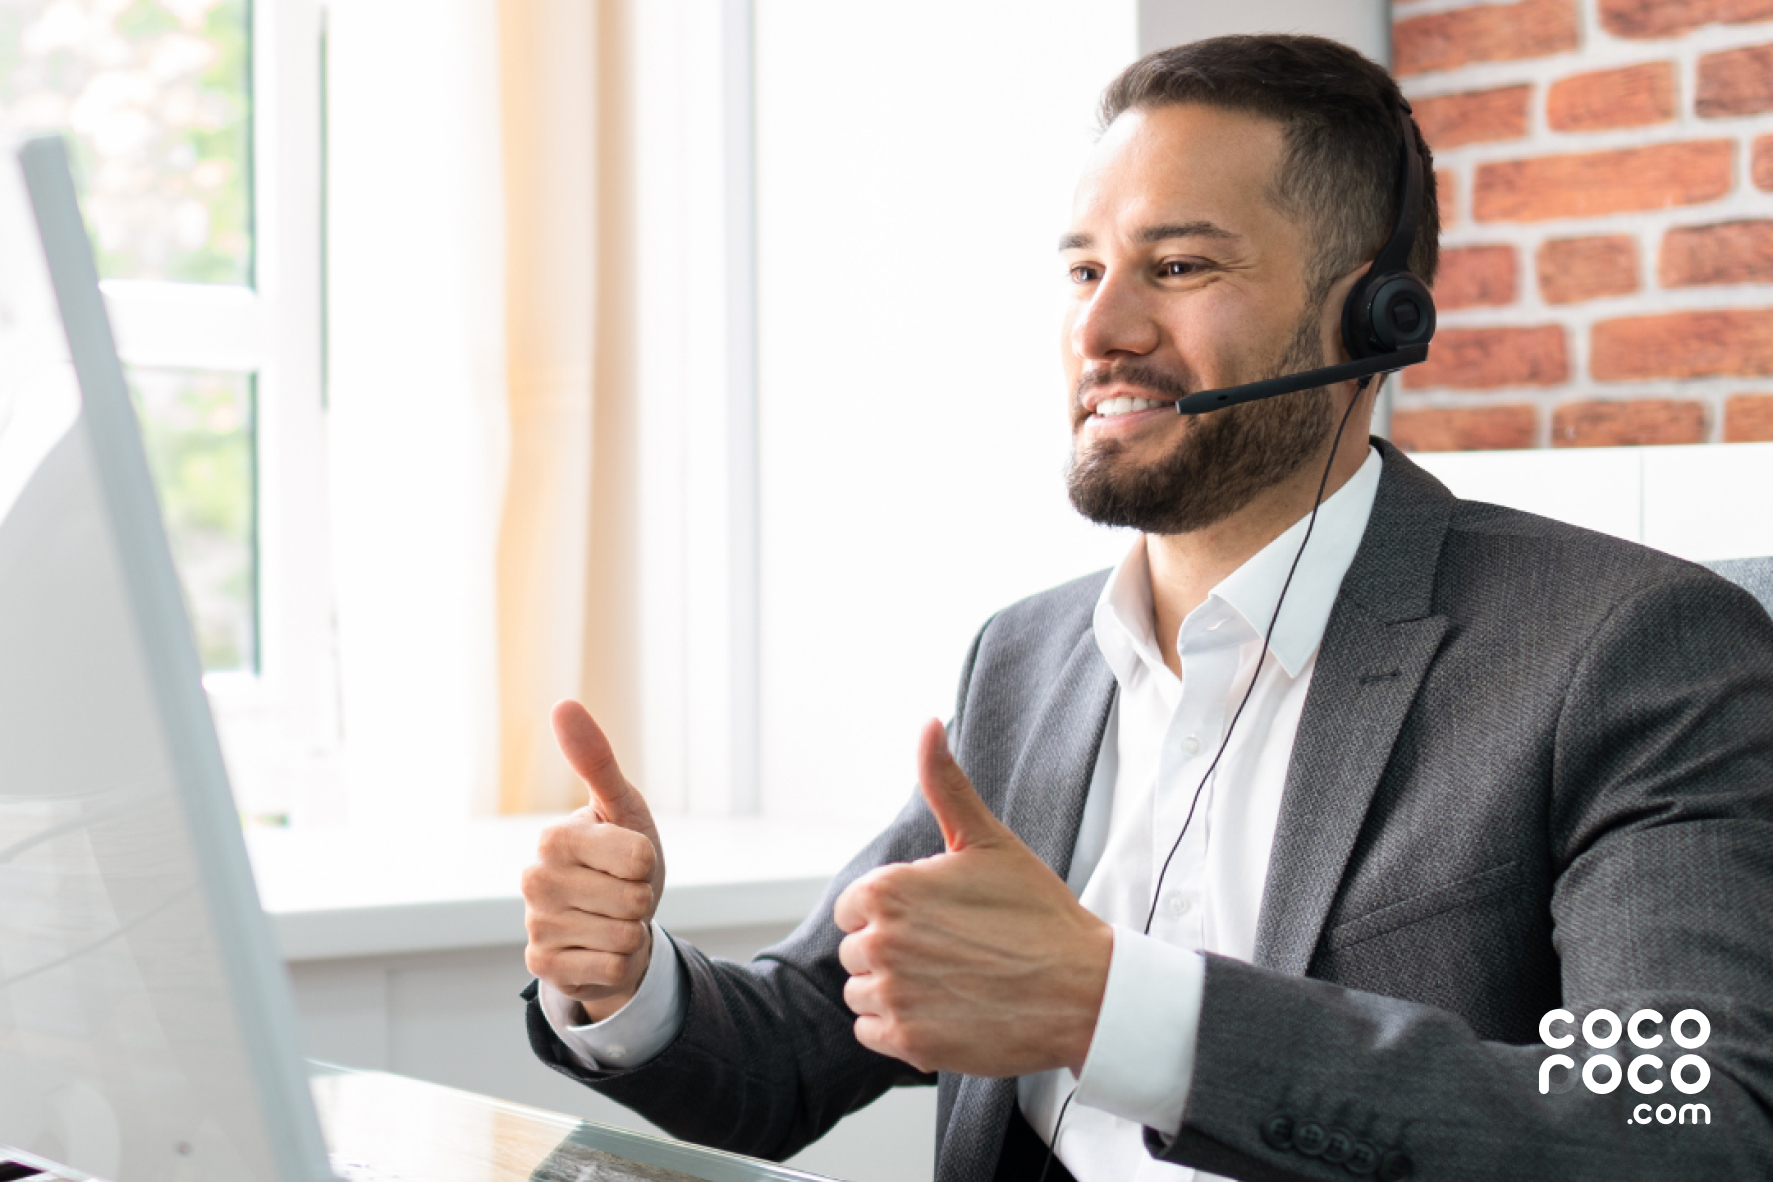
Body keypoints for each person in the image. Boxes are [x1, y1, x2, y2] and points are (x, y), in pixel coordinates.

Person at [519, 34, 1773, 1182]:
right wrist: (627, 982)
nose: (1102, 328)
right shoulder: (1028, 660)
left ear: (1372, 316)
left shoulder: (1631, 652)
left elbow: (1677, 1120)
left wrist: (1112, 1009)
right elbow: (800, 1045)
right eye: (1082, 269)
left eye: (1177, 266)